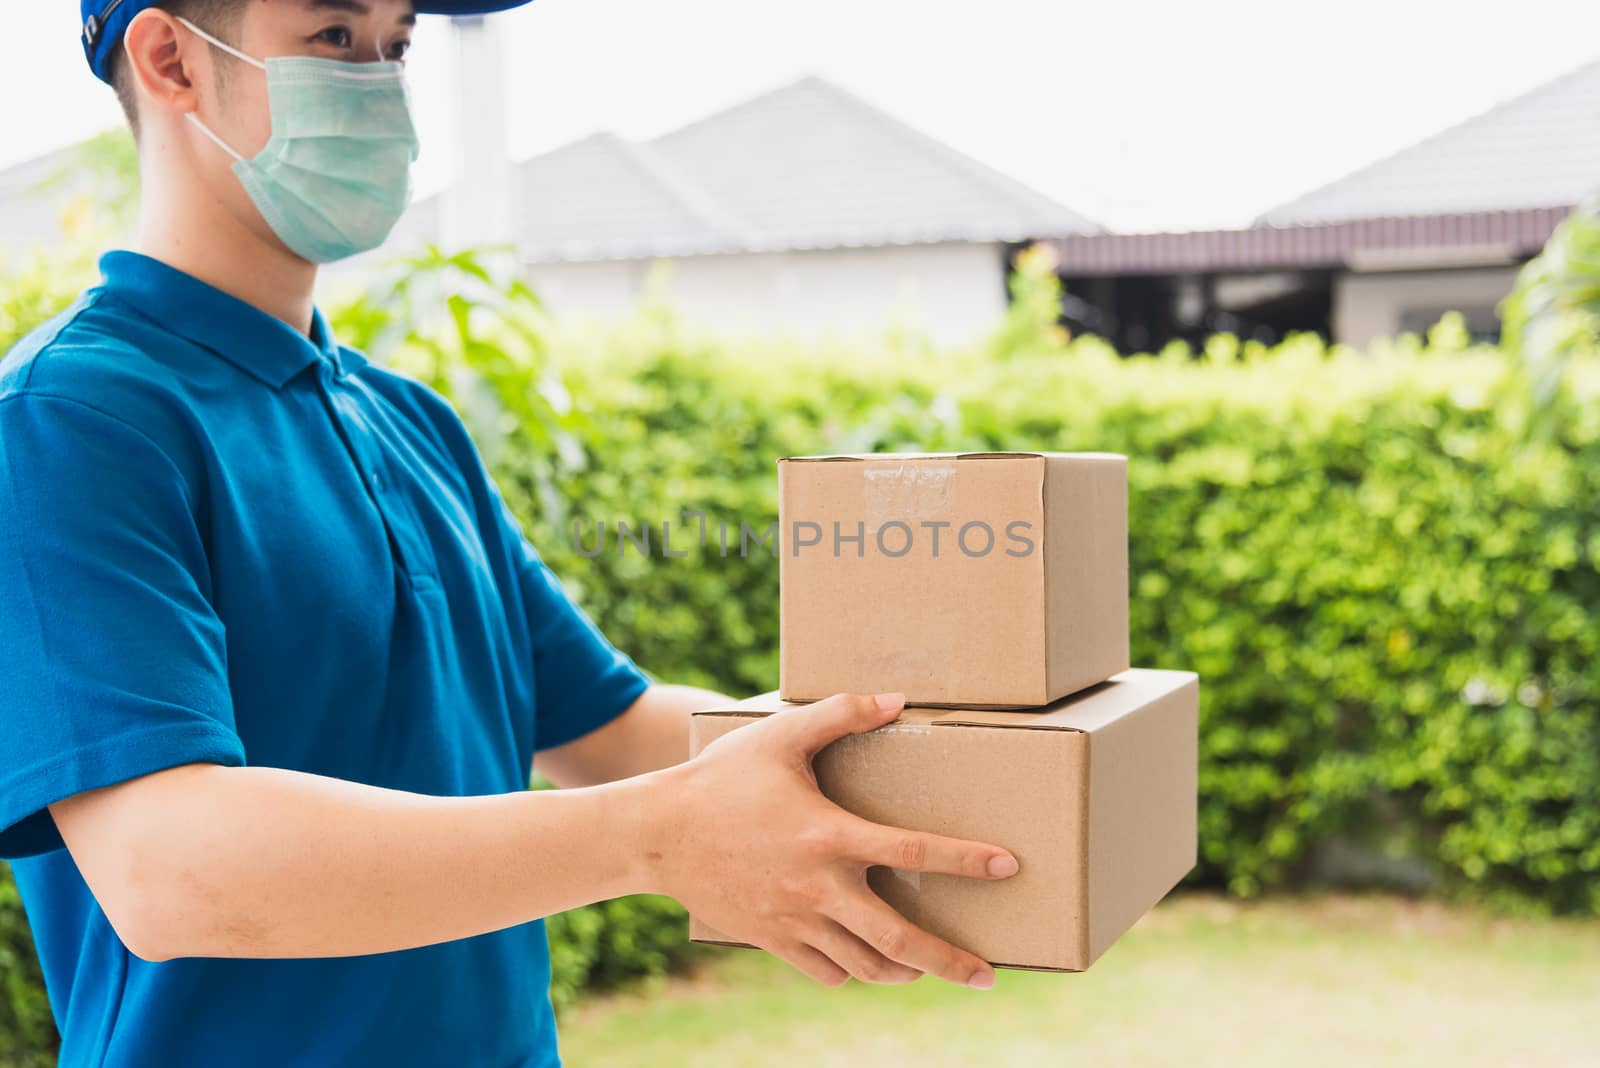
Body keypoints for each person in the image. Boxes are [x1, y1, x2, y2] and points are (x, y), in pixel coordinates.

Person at [0, 1, 1022, 1065]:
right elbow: (172, 872)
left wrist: (948, 756)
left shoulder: (406, 422)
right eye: (335, 38)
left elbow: (611, 727)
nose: (382, 87)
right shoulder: (72, 420)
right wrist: (661, 834)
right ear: (170, 60)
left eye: (397, 46)